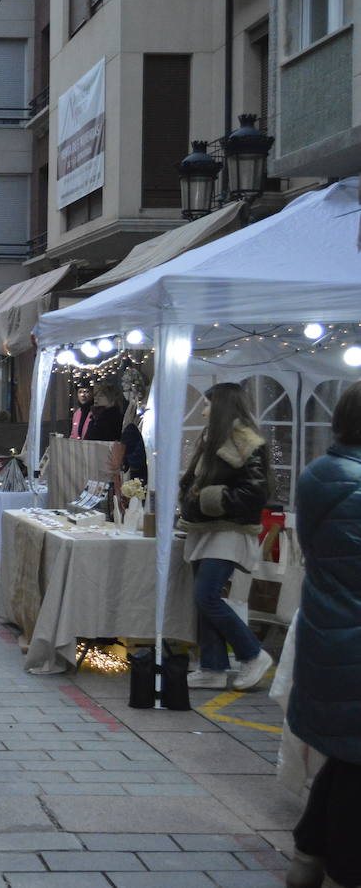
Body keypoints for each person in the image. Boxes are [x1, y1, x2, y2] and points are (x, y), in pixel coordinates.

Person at [286, 379, 361, 888]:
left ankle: (309, 856)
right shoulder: (353, 483)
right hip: (351, 643)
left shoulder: (323, 472)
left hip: (331, 634)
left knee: (347, 757)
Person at [178, 381, 274, 691]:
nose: (203, 411)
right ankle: (213, 667)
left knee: (206, 596)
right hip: (206, 528)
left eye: (207, 405)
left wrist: (211, 499)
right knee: (206, 599)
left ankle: (252, 654)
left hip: (228, 530)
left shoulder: (246, 442)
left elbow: (256, 492)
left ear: (221, 407)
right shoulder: (212, 439)